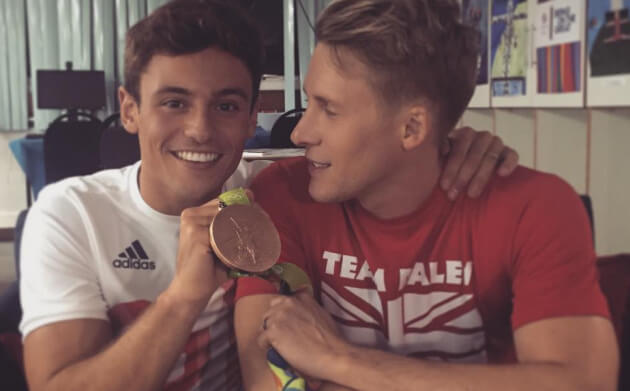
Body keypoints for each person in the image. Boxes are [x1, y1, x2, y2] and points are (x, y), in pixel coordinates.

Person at [19, 1, 518, 390]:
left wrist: (447, 146)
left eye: (227, 105)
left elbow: (380, 161)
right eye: (173, 102)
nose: (199, 129)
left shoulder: (274, 198)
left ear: (253, 113)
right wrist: (183, 300)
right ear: (129, 110)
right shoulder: (70, 215)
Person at [234, 1, 619, 390]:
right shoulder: (280, 196)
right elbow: (268, 384)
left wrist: (338, 360)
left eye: (329, 110)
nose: (300, 133)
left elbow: (581, 383)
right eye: (309, 102)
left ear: (412, 128)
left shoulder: (535, 207)